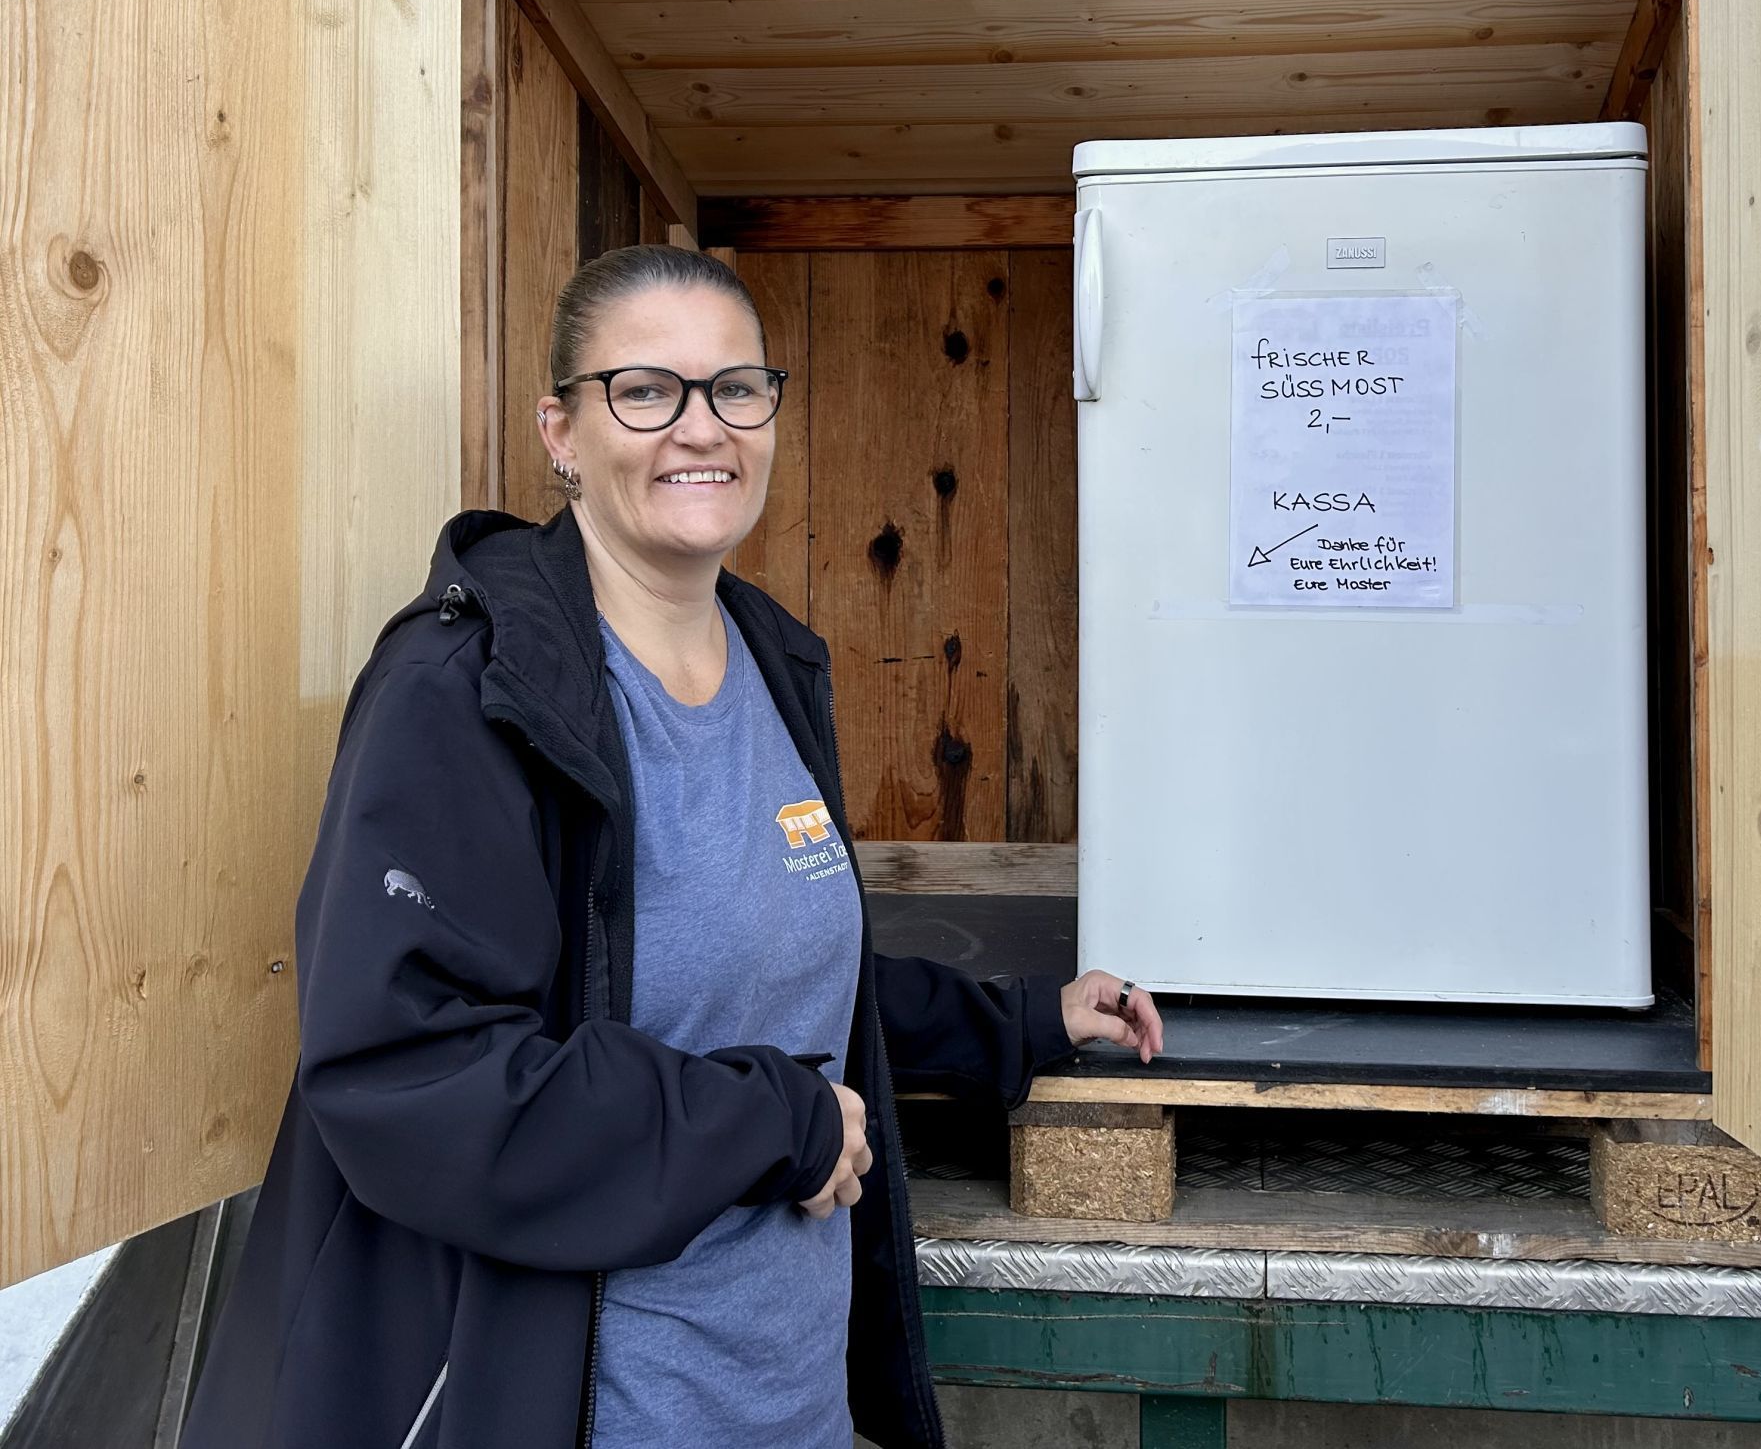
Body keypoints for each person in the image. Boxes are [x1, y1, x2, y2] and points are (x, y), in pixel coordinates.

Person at [181, 244, 1165, 1449]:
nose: (701, 427)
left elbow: (762, 963)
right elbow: (410, 1072)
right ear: (560, 432)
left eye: (736, 388)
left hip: (788, 1404)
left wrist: (1015, 1022)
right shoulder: (466, 689)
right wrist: (776, 1123)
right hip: (595, 1408)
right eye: (645, 391)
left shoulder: (774, 658)